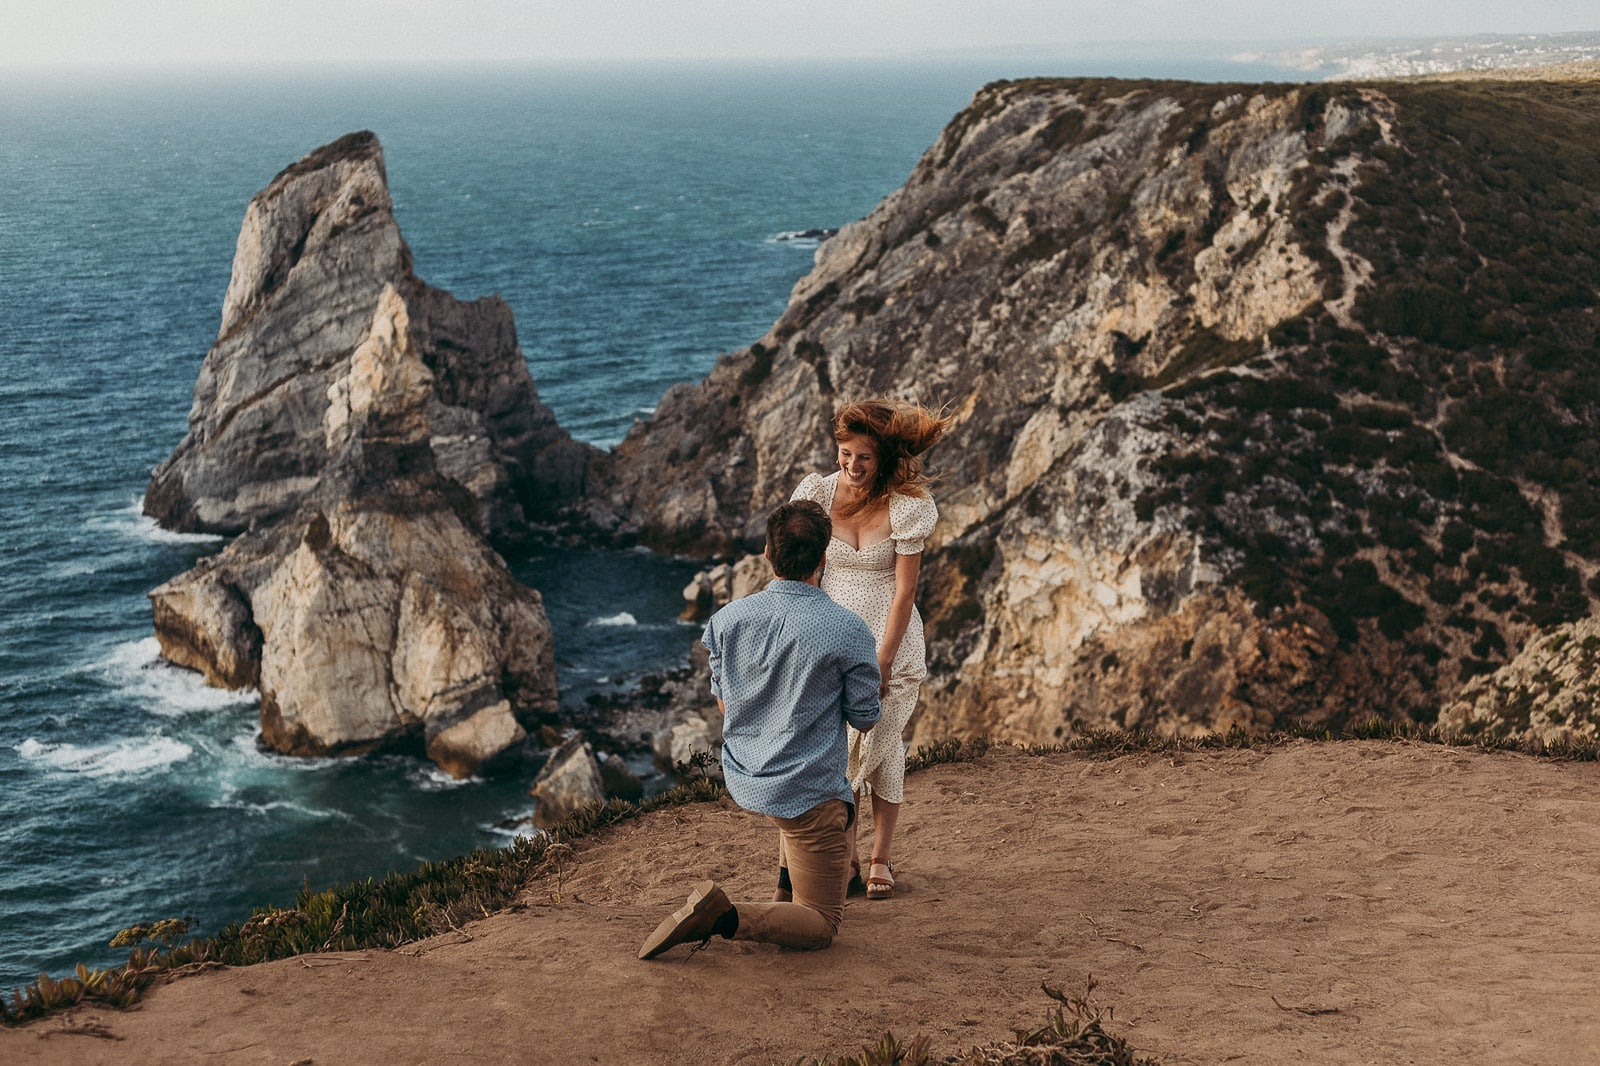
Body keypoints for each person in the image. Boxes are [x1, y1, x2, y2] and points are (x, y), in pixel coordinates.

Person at [638, 500, 881, 959]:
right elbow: (865, 718)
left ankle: (785, 891)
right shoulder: (848, 630)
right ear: (824, 558)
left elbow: (725, 701)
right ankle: (724, 917)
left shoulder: (726, 621)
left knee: (805, 815)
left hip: (748, 776)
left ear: (767, 553)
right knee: (824, 924)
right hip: (807, 791)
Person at [790, 398, 948, 901]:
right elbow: (806, 572)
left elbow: (905, 592)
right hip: (833, 638)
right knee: (838, 752)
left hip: (891, 641)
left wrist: (881, 660)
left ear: (883, 459)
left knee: (881, 747)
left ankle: (880, 857)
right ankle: (848, 857)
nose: (851, 466)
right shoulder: (816, 493)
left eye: (863, 458)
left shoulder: (906, 508)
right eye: (844, 453)